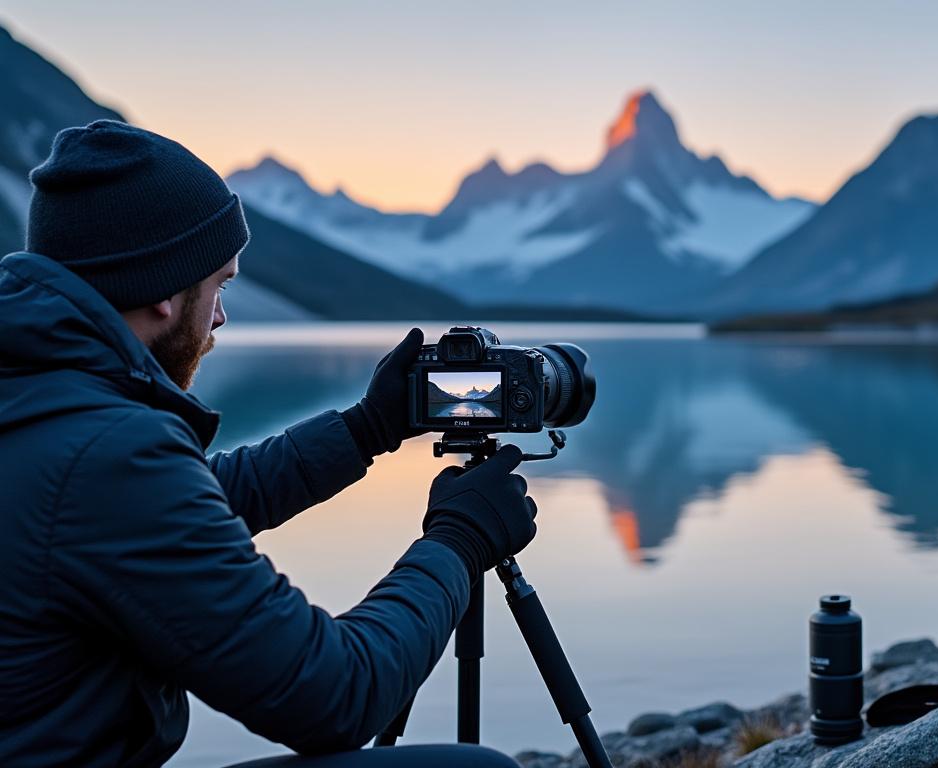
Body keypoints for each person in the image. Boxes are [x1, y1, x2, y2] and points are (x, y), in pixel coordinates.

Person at [0, 120, 537, 768]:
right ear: (164, 290)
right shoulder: (108, 455)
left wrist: (370, 427)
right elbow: (337, 694)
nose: (221, 315)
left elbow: (187, 502)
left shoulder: (38, 402)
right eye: (219, 285)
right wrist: (460, 542)